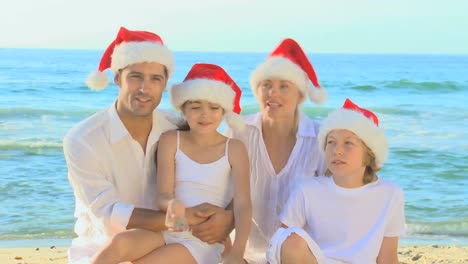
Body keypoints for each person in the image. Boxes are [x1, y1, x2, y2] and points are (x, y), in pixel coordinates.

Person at [64, 27, 221, 264]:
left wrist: (226, 219)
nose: (145, 89)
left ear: (165, 83)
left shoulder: (177, 127)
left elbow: (217, 173)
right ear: (118, 77)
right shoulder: (83, 140)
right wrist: (186, 218)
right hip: (103, 249)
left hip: (170, 242)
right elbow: (107, 215)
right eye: (135, 76)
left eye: (155, 79)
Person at [91, 63, 252, 264]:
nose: (205, 114)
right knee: (119, 244)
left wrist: (237, 253)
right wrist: (172, 204)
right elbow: (163, 196)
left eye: (213, 108)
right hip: (169, 228)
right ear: (183, 109)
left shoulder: (234, 148)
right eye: (195, 107)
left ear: (224, 111)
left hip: (203, 240)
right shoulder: (170, 140)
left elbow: (244, 204)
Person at [225, 38, 328, 263]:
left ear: (300, 95)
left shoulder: (321, 140)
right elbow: (220, 193)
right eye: (266, 85)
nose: (273, 93)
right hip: (243, 254)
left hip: (297, 256)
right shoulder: (239, 133)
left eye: (284, 86)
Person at [267, 98, 406, 264]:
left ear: (369, 153)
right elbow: (280, 247)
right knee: (289, 238)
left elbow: (388, 257)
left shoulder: (390, 193)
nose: (337, 151)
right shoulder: (307, 190)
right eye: (331, 142)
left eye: (348, 143)